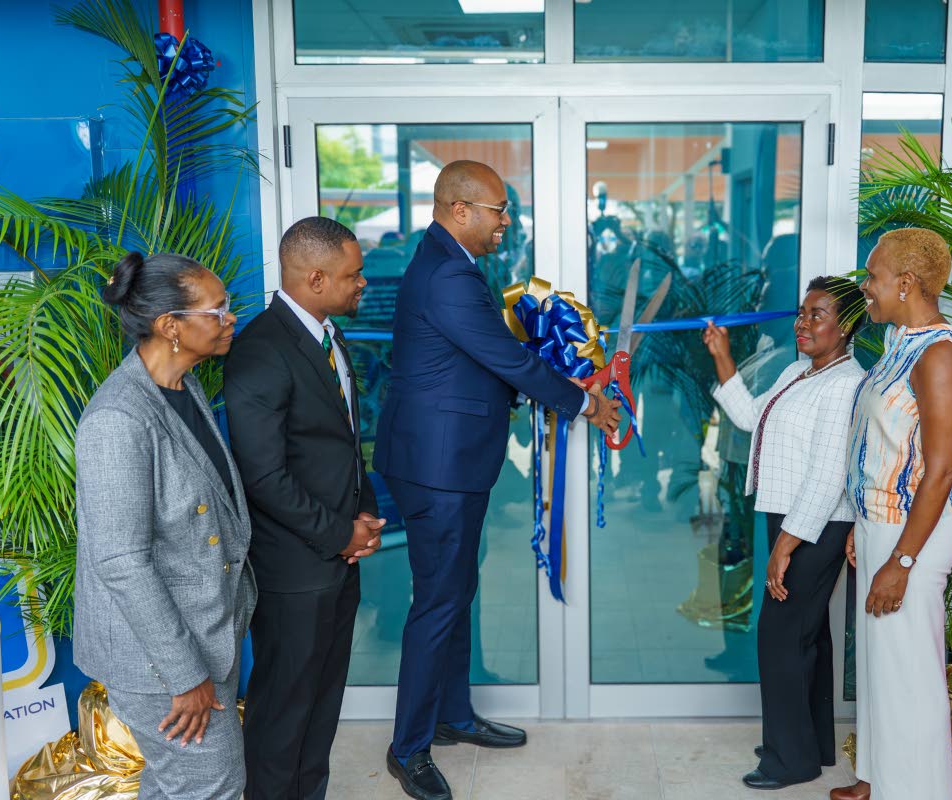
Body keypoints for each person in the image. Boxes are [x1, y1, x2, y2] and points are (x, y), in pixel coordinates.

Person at [374, 160, 620, 800]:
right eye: (499, 209)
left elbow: (486, 356)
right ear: (461, 209)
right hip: (438, 468)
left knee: (455, 590)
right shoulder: (450, 273)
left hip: (450, 460)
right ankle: (410, 749)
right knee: (437, 601)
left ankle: (453, 715)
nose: (506, 221)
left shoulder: (449, 263)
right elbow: (506, 357)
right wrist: (584, 400)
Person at [74, 251, 255, 799]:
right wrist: (185, 676)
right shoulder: (117, 420)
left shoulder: (183, 388)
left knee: (178, 784)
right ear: (170, 326)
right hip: (162, 661)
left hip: (205, 632)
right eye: (217, 310)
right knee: (212, 786)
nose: (230, 319)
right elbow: (121, 562)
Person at [225, 217, 387, 800]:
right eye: (354, 274)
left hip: (336, 559)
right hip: (294, 569)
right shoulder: (262, 351)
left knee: (321, 708)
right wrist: (338, 533)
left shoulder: (328, 335)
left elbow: (341, 440)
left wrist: (362, 518)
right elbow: (264, 475)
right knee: (282, 714)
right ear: (316, 278)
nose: (363, 283)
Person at [704, 276, 866, 791]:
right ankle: (810, 742)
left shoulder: (846, 384)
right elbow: (752, 418)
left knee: (780, 636)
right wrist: (722, 356)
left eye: (818, 315)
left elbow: (826, 474)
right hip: (792, 516)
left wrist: (785, 545)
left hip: (815, 522)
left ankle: (788, 759)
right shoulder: (801, 371)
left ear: (846, 327)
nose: (803, 323)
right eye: (802, 312)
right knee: (806, 631)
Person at [831, 228, 952, 800]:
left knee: (909, 678)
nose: (866, 288)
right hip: (881, 523)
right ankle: (877, 780)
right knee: (880, 670)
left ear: (906, 284)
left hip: (914, 531)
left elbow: (940, 470)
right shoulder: (901, 341)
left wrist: (901, 559)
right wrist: (864, 528)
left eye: (873, 278)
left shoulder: (938, 355)